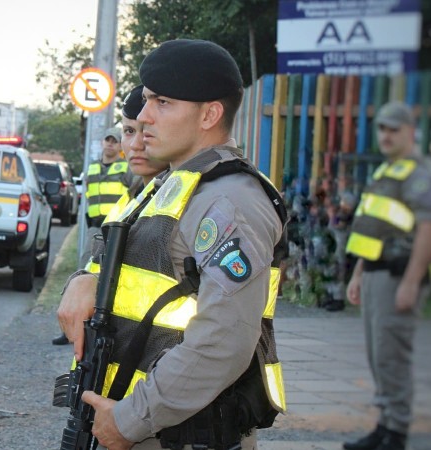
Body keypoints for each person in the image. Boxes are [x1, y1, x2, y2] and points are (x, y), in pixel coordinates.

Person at [57, 39, 287, 450]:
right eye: (147, 100)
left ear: (209, 114)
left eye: (162, 103)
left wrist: (129, 420)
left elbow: (224, 338)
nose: (145, 116)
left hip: (177, 432)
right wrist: (83, 279)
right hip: (145, 421)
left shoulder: (228, 200)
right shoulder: (170, 185)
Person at [343, 101, 431, 450]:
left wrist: (412, 282)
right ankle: (385, 426)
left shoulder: (419, 173)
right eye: (382, 128)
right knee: (379, 356)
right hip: (375, 273)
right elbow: (374, 229)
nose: (386, 135)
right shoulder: (387, 171)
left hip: (398, 276)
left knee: (392, 356)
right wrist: (358, 274)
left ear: (410, 132)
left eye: (394, 129)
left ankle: (396, 433)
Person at [52, 85, 168, 345]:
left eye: (147, 131)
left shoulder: (172, 202)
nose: (136, 144)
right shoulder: (131, 200)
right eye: (129, 131)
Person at [81, 127, 134, 265]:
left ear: (120, 145)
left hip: (117, 229)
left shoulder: (127, 168)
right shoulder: (91, 168)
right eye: (107, 140)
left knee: (111, 267)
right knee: (86, 264)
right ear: (102, 142)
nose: (110, 144)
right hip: (95, 227)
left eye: (114, 141)